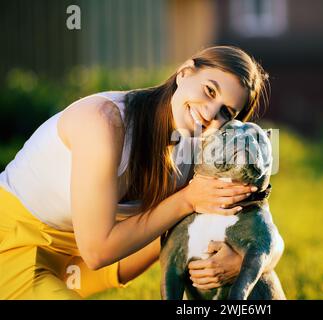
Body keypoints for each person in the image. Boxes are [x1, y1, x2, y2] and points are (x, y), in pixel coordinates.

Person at [0, 45, 271, 299]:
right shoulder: (103, 121)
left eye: (226, 111)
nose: (210, 112)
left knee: (214, 226)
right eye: (210, 91)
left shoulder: (197, 147)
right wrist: (187, 199)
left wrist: (241, 263)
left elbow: (265, 232)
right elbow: (96, 251)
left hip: (84, 262)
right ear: (185, 73)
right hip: (16, 245)